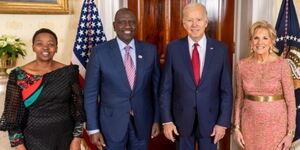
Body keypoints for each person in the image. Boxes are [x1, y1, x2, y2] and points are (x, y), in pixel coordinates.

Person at [84, 8, 160, 150]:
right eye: (122, 23)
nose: (127, 26)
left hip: (143, 123)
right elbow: (90, 94)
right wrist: (93, 129)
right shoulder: (99, 52)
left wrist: (157, 119)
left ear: (136, 25)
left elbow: (156, 90)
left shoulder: (150, 51)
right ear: (114, 26)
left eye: (131, 22)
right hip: (111, 125)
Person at [159, 3, 232, 150]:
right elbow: (165, 89)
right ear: (184, 23)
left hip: (212, 122)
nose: (194, 24)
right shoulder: (173, 49)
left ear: (206, 22)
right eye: (189, 20)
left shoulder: (221, 50)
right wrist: (167, 121)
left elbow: (226, 90)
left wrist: (223, 122)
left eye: (198, 19)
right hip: (181, 121)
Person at [0, 28, 85, 150]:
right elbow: (11, 116)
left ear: (56, 48)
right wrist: (19, 146)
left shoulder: (68, 72)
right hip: (32, 139)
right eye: (40, 44)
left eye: (51, 44)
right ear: (33, 47)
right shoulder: (19, 75)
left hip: (65, 138)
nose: (45, 48)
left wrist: (76, 140)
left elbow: (78, 109)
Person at [233, 20, 296, 150]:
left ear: (272, 41)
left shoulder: (282, 65)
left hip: (276, 126)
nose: (260, 42)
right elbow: (239, 99)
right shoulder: (242, 65)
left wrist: (290, 133)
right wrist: (236, 128)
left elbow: (291, 101)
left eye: (265, 38)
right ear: (250, 42)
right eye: (256, 38)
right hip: (249, 126)